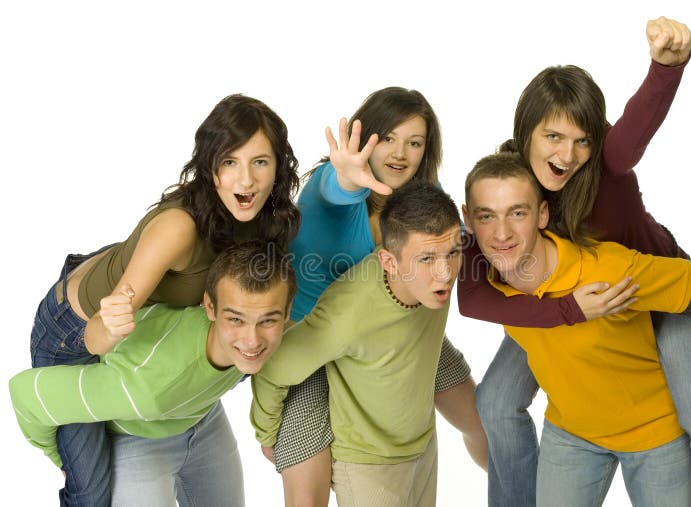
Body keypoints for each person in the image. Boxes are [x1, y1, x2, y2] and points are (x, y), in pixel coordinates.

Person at [457, 17, 691, 506]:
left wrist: (666, 67)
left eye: (581, 139)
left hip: (653, 295)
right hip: (575, 302)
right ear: (525, 133)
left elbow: (636, 127)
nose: (567, 154)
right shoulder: (509, 186)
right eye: (552, 136)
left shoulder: (606, 161)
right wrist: (568, 311)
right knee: (493, 399)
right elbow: (473, 295)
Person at [29, 94, 301, 505]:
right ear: (210, 167)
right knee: (91, 490)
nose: (245, 180)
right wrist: (113, 323)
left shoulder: (266, 218)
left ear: (278, 166)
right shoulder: (178, 229)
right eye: (229, 162)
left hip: (139, 284)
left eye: (259, 162)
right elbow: (97, 338)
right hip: (73, 330)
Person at [462, 151, 691, 505]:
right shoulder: (487, 278)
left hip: (653, 435)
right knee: (493, 402)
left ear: (543, 214)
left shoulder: (608, 270)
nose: (501, 233)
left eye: (518, 213)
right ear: (469, 220)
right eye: (487, 216)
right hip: (571, 435)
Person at [268, 87, 486, 506]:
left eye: (415, 142)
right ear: (364, 139)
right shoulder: (327, 186)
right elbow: (341, 185)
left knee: (482, 419)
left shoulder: (422, 194)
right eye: (387, 138)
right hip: (313, 343)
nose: (400, 153)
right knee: (306, 496)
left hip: (393, 332)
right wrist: (348, 174)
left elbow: (448, 244)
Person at [11, 241, 295, 506]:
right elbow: (25, 394)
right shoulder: (146, 386)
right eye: (235, 319)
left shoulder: (268, 341)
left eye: (267, 320)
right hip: (135, 436)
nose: (252, 340)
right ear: (209, 307)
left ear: (286, 314)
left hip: (202, 417)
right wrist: (64, 461)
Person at [252, 181, 462, 506]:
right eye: (426, 258)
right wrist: (267, 434)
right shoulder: (346, 314)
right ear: (390, 262)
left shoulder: (435, 280)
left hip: (421, 446)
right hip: (367, 465)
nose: (445, 272)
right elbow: (275, 367)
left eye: (453, 252)